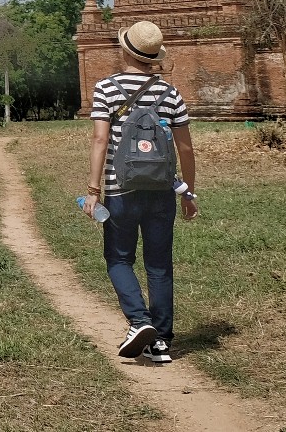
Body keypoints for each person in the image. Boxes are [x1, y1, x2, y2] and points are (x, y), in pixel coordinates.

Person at [82, 19, 198, 365]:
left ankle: (139, 321)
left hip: (121, 191)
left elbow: (100, 139)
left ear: (124, 49)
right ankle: (160, 342)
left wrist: (93, 189)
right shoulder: (171, 93)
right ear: (153, 57)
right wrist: (188, 193)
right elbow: (186, 149)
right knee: (159, 266)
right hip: (162, 191)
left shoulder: (106, 88)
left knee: (118, 259)